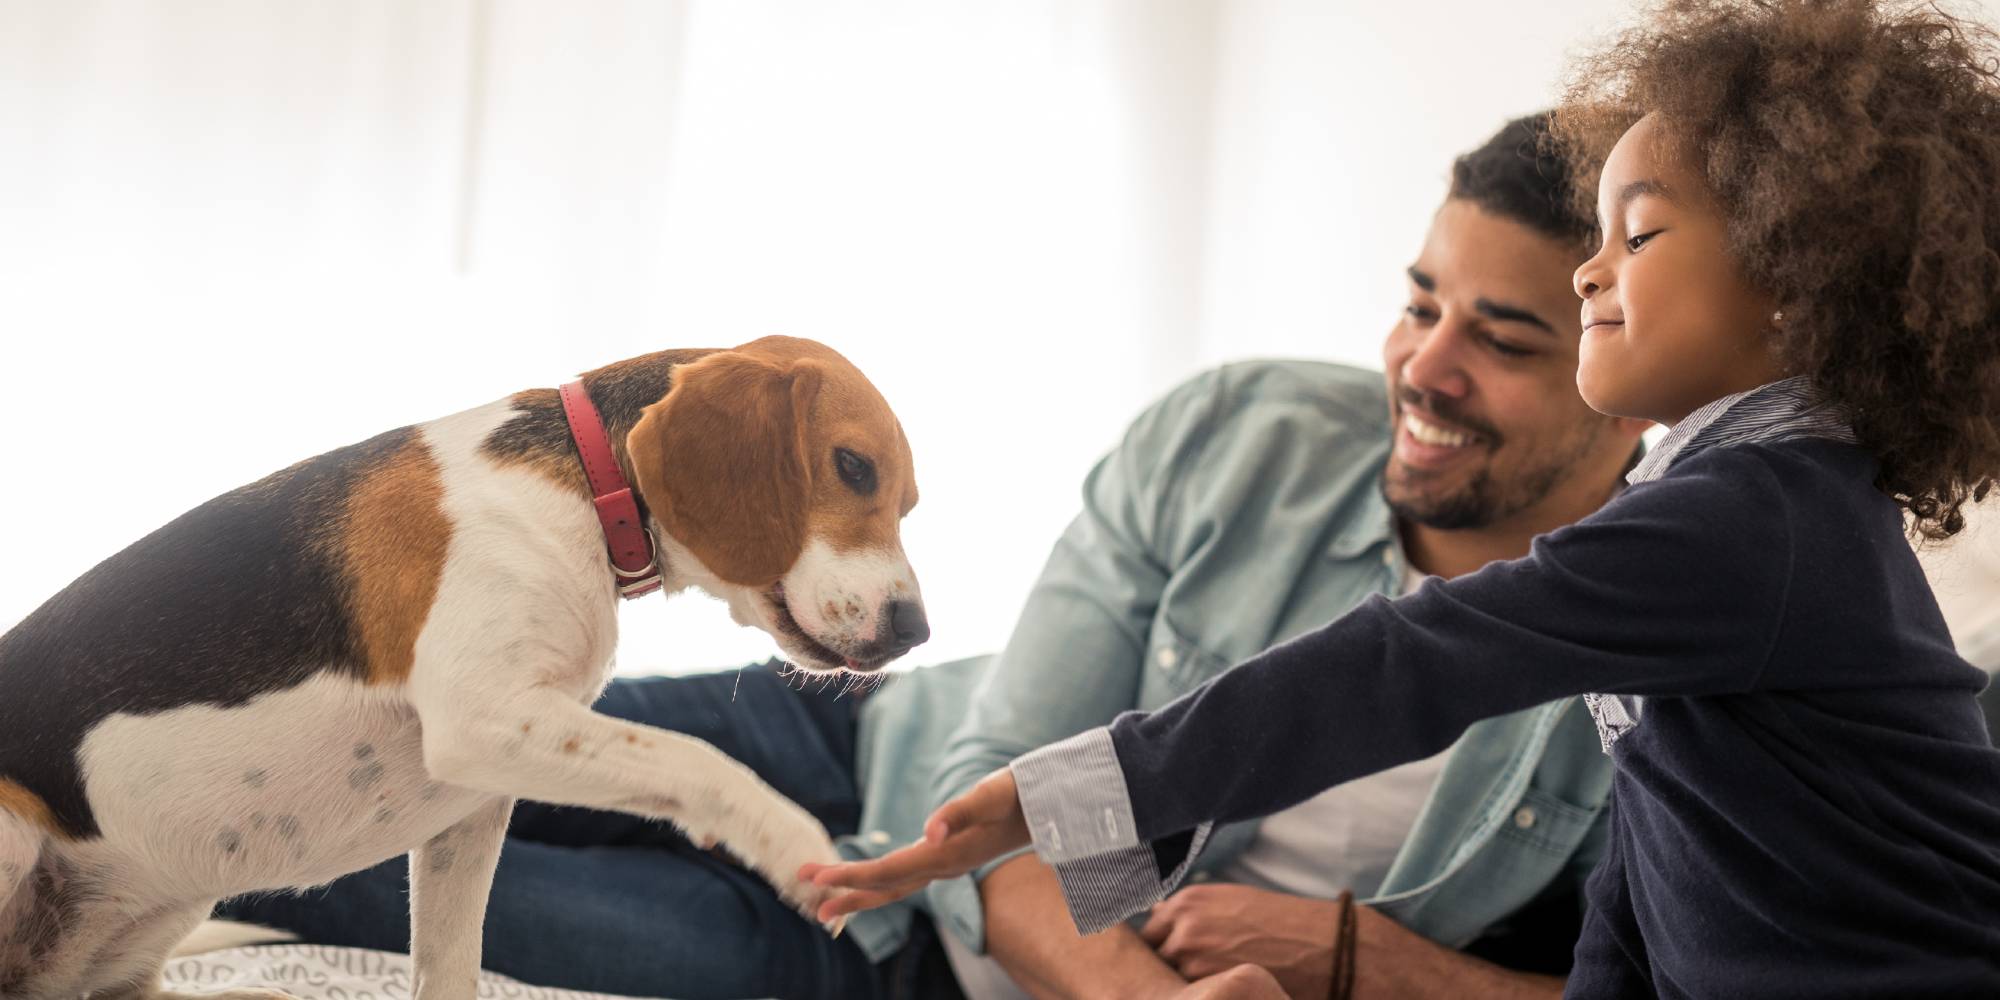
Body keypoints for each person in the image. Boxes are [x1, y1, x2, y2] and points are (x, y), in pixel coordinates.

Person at [219, 112, 1644, 998]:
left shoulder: (1670, 644)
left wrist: (1375, 968)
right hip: (860, 736)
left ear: (1621, 368)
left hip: (894, 955)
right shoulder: (1242, 433)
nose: (1425, 367)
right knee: (359, 738)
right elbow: (1003, 768)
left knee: (313, 869)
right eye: (1418, 303)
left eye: (1504, 339)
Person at [807, 2, 2000, 996]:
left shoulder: (1757, 521)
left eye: (1634, 237)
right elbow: (1647, 871)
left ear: (1790, 285)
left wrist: (1070, 794)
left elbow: (1402, 664)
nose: (1591, 267)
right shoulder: (1718, 511)